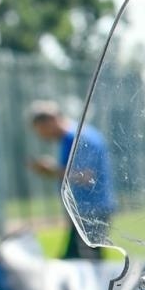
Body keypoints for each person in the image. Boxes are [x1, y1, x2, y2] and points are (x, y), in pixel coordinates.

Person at [27, 100, 115, 259]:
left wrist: (51, 170)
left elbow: (87, 177)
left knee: (85, 262)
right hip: (83, 210)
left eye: (41, 130)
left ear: (51, 121)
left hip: (92, 210)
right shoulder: (69, 138)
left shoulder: (79, 137)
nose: (42, 136)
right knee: (78, 260)